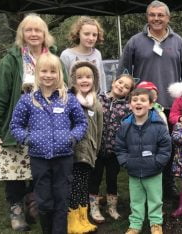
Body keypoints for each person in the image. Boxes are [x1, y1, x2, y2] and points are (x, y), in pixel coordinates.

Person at [0, 14, 60, 232]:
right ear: (22, 34)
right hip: (17, 127)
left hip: (47, 126)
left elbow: (64, 89)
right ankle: (16, 210)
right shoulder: (12, 60)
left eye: (38, 30)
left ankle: (34, 202)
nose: (34, 34)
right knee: (15, 173)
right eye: (29, 30)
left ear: (45, 34)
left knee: (41, 171)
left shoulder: (53, 57)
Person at [10, 53, 88, 234]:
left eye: (53, 71)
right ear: (37, 73)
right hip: (39, 159)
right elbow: (15, 125)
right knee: (44, 200)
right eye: (44, 71)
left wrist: (72, 138)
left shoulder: (68, 99)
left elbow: (81, 123)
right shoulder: (28, 100)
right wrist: (28, 139)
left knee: (62, 198)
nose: (48, 75)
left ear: (59, 74)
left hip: (64, 158)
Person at [116, 88, 172, 234]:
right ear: (130, 104)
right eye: (135, 100)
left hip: (153, 170)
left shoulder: (158, 125)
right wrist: (126, 162)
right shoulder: (125, 126)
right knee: (136, 200)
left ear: (151, 104)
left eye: (142, 100)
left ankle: (155, 223)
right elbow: (120, 147)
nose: (138, 103)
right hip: (134, 170)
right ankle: (135, 224)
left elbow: (165, 148)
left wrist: (158, 163)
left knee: (155, 199)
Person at [119, 0, 182, 109]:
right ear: (147, 17)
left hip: (173, 107)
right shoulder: (134, 41)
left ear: (168, 18)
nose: (156, 18)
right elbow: (123, 73)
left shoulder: (178, 42)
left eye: (160, 15)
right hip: (142, 105)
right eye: (152, 15)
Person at [89, 74, 135, 223]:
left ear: (128, 92)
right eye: (120, 82)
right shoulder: (98, 99)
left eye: (126, 87)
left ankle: (112, 207)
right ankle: (94, 208)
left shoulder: (128, 107)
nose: (121, 86)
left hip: (114, 151)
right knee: (94, 178)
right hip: (96, 149)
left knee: (112, 179)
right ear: (114, 81)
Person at [66, 61, 104, 233]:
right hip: (73, 152)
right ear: (73, 79)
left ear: (94, 79)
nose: (84, 80)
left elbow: (99, 127)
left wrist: (95, 149)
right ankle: (72, 220)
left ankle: (83, 217)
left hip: (89, 152)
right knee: (74, 186)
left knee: (83, 186)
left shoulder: (95, 102)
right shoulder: (69, 100)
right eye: (80, 77)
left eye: (88, 77)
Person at [60, 16, 107, 93]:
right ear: (78, 34)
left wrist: (104, 97)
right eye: (86, 34)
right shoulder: (66, 55)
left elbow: (101, 78)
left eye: (94, 35)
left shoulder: (97, 53)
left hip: (95, 100)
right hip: (73, 101)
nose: (91, 38)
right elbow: (62, 82)